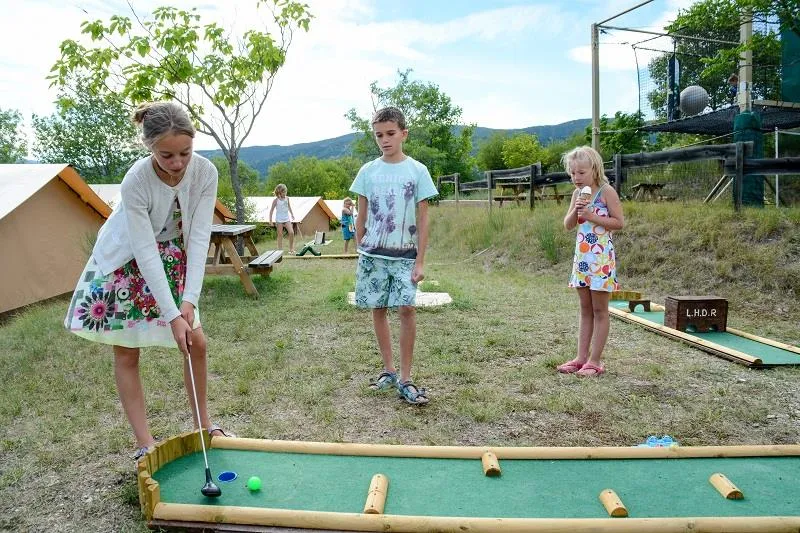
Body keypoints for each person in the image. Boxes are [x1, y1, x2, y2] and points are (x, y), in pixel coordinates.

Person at [64, 101, 234, 460]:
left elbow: (201, 234)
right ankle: (146, 444)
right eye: (166, 155)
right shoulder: (136, 180)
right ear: (149, 147)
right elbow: (143, 249)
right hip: (127, 260)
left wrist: (188, 303)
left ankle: (204, 425)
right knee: (127, 351)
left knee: (196, 344)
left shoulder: (205, 172)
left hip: (174, 257)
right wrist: (171, 316)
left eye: (185, 153)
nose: (177, 163)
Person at [350, 106, 438, 405]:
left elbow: (424, 218)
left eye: (390, 134)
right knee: (378, 309)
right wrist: (361, 245)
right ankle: (387, 371)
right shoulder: (368, 171)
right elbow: (360, 213)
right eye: (378, 135)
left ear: (403, 133)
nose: (384, 140)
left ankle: (406, 377)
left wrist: (421, 260)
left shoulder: (417, 171)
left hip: (405, 254)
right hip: (373, 255)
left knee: (406, 309)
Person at [557, 146, 624, 377]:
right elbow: (567, 225)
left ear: (595, 169)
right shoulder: (577, 195)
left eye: (581, 172)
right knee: (585, 310)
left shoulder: (607, 192)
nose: (576, 177)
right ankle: (580, 358)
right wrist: (576, 212)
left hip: (601, 259)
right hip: (583, 260)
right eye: (573, 173)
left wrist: (593, 216)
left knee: (600, 310)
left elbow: (619, 222)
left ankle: (595, 361)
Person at [269, 183, 296, 254]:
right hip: (279, 219)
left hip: (286, 218)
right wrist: (271, 221)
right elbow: (271, 211)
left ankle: (291, 249)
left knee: (291, 232)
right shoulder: (276, 200)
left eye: (286, 192)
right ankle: (280, 250)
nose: (285, 193)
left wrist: (292, 214)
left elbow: (289, 207)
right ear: (280, 192)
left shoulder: (287, 198)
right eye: (284, 192)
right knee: (280, 234)